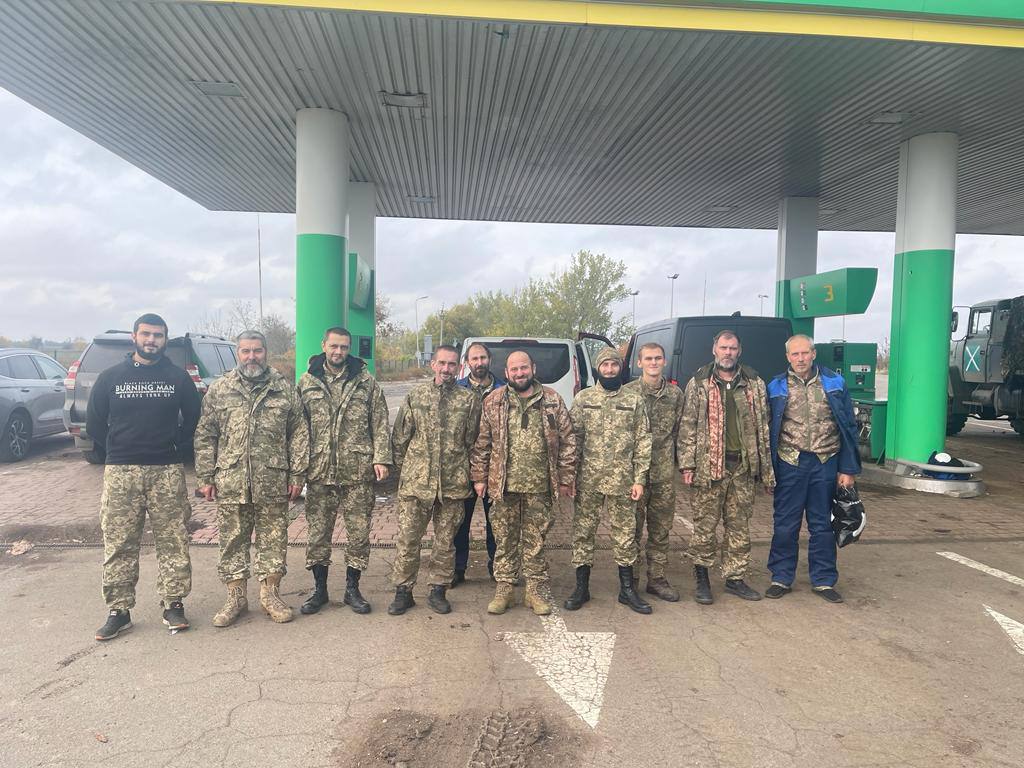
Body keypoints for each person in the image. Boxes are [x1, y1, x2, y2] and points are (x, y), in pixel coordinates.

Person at [88, 313, 201, 641]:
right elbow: (95, 423)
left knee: (173, 539)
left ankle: (173, 604)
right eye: (146, 334)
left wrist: (176, 446)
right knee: (119, 541)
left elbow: (193, 418)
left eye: (158, 335)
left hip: (166, 471)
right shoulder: (111, 378)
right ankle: (119, 610)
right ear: (134, 337)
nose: (152, 340)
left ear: (165, 339)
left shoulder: (177, 378)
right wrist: (117, 447)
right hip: (121, 472)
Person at [194, 330, 309, 626]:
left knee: (273, 539)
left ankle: (271, 595)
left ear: (266, 352)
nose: (251, 357)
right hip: (231, 479)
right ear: (237, 353)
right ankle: (236, 598)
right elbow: (206, 434)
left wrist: (297, 473)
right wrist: (205, 476)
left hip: (272, 479)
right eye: (245, 351)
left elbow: (298, 433)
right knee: (232, 540)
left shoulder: (283, 388)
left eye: (257, 351)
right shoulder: (221, 389)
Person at [470, 350, 577, 615]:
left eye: (524, 368)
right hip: (503, 486)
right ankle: (504, 590)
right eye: (514, 369)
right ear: (507, 373)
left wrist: (566, 478)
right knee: (504, 539)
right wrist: (479, 477)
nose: (520, 373)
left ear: (533, 368)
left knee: (536, 541)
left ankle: (534, 591)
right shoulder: (494, 401)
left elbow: (568, 441)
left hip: (540, 487)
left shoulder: (552, 400)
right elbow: (482, 443)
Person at [297, 327, 392, 615]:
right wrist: (299, 467)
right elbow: (298, 428)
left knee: (359, 533)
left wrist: (381, 458)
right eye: (334, 346)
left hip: (357, 470)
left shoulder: (365, 381)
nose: (338, 352)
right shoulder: (307, 382)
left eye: (344, 347)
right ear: (323, 345)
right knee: (318, 534)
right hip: (319, 470)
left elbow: (380, 421)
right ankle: (320, 590)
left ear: (349, 349)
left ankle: (353, 589)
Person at [678, 330, 774, 605]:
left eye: (732, 348)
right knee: (705, 527)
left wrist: (765, 470)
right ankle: (702, 579)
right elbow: (688, 425)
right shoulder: (699, 383)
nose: (728, 352)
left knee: (739, 527)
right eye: (723, 347)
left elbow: (763, 426)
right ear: (714, 350)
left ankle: (735, 579)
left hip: (742, 468)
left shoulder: (754, 383)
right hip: (709, 468)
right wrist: (687, 464)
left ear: (739, 351)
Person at [766, 334, 861, 603]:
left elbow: (849, 427)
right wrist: (768, 470)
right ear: (787, 357)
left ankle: (823, 580)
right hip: (790, 463)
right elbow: (766, 429)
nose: (800, 359)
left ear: (814, 353)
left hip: (825, 462)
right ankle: (781, 576)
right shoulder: (775, 386)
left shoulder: (834, 383)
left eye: (805, 353)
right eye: (795, 354)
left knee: (822, 525)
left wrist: (848, 469)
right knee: (785, 524)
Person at [388, 345, 480, 615]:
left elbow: (473, 441)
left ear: (459, 367)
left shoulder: (469, 400)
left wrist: (470, 474)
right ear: (433, 364)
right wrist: (405, 472)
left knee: (445, 542)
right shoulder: (416, 396)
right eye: (442, 363)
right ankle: (403, 591)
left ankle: (438, 589)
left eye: (452, 364)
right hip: (416, 483)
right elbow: (400, 438)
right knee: (408, 539)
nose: (446, 369)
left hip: (452, 484)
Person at [565, 347, 653, 614]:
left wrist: (639, 479)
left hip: (623, 480)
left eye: (614, 365)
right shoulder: (584, 399)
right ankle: (581, 587)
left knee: (625, 535)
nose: (610, 370)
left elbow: (643, 440)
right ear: (598, 368)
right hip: (588, 479)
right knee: (583, 533)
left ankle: (627, 590)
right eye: (605, 365)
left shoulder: (634, 400)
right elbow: (573, 439)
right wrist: (570, 476)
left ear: (620, 367)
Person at [622, 342, 685, 602]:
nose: (653, 363)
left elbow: (680, 432)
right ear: (639, 363)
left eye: (658, 358)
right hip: (634, 474)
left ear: (664, 361)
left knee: (660, 530)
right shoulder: (627, 393)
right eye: (648, 359)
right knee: (632, 529)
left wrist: (684, 466)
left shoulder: (675, 394)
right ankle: (631, 581)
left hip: (662, 474)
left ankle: (657, 579)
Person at [452, 341, 504, 585]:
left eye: (483, 358)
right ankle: (457, 568)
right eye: (474, 358)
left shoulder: (504, 390)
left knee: (496, 522)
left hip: (495, 467)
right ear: (467, 363)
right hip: (462, 467)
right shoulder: (457, 389)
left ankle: (497, 567)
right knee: (460, 522)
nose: (479, 362)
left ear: (489, 360)